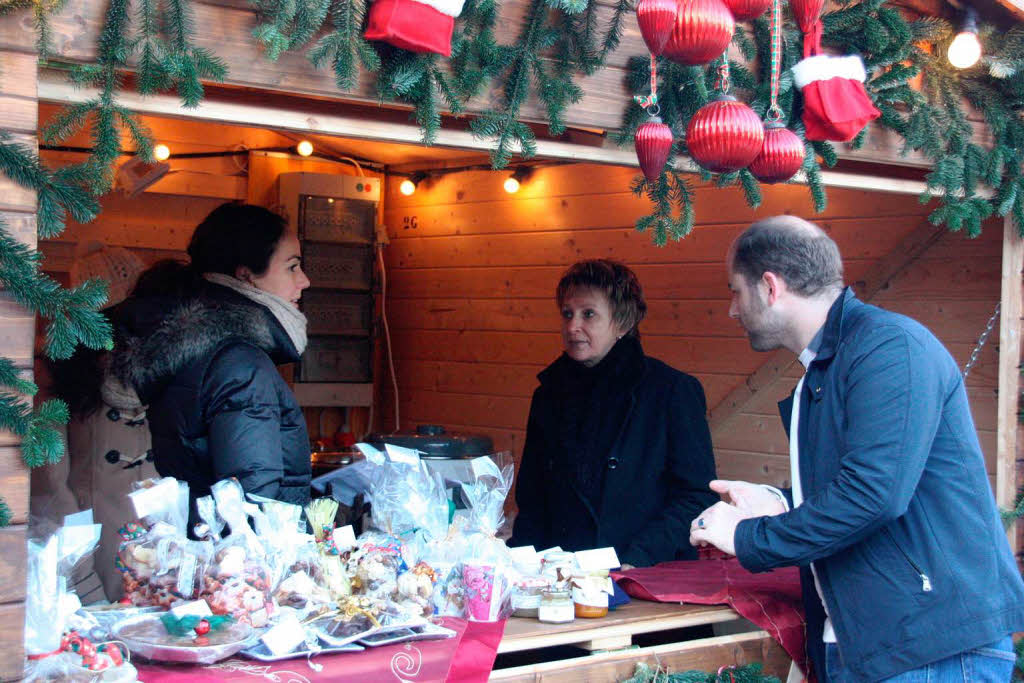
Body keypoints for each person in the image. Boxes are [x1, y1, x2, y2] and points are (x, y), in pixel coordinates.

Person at [689, 215, 1024, 682]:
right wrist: (780, 502)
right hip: (866, 646)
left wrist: (748, 538)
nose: (731, 309)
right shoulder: (827, 367)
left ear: (770, 286)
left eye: (735, 291)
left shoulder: (891, 348)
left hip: (931, 650)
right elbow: (859, 480)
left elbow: (875, 494)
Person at [112, 203, 313, 528]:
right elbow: (250, 508)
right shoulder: (239, 364)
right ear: (246, 275)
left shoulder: (191, 346)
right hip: (236, 569)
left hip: (193, 551)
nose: (304, 281)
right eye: (292, 267)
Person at [509, 259, 718, 567]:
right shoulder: (548, 395)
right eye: (567, 314)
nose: (572, 326)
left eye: (588, 314)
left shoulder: (672, 391)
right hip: (563, 584)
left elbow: (697, 498)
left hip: (648, 579)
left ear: (622, 322)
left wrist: (637, 559)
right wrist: (519, 566)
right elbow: (532, 499)